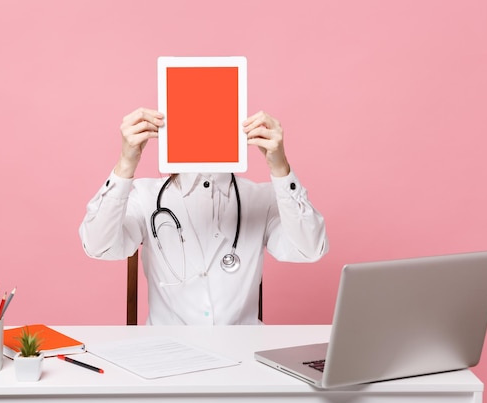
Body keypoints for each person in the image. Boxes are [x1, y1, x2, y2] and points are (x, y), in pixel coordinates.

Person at [79, 107, 328, 325]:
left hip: (242, 361)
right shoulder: (146, 196)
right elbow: (99, 246)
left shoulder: (260, 198)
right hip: (167, 360)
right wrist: (125, 164)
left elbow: (309, 249)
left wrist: (281, 169)